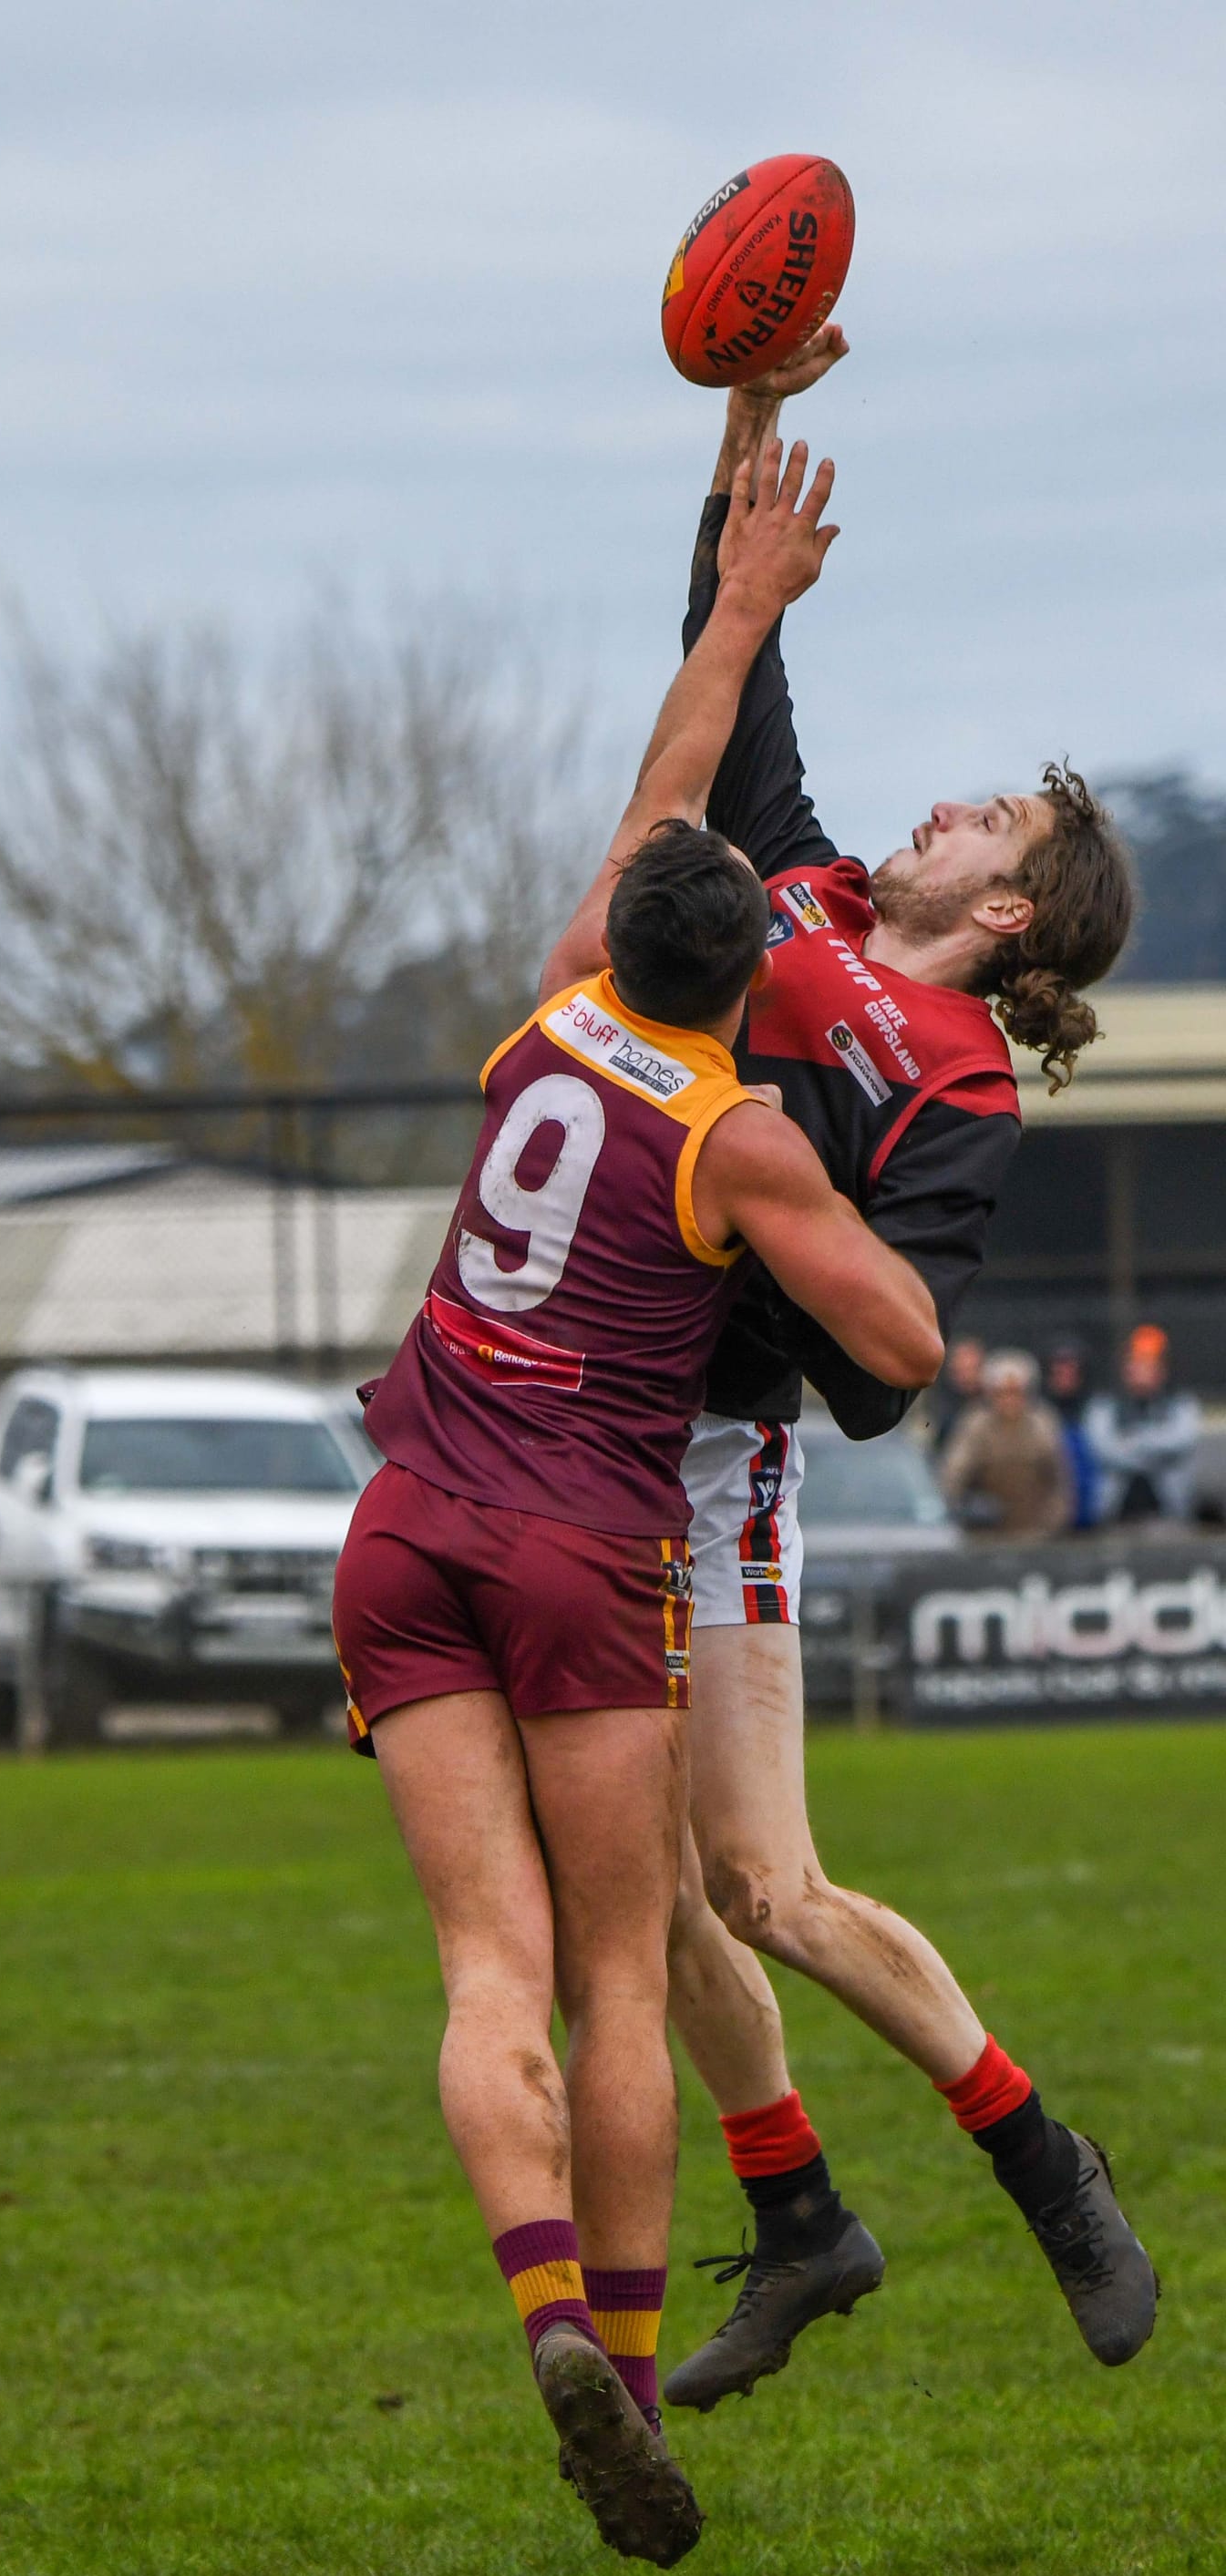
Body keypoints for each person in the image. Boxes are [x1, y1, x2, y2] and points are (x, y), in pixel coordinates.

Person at [335, 434, 944, 2568]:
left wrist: (740, 599)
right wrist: (829, 1188)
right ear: (746, 977)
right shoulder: (735, 1124)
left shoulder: (549, 1010)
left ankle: (532, 2311)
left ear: (618, 923)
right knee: (618, 1963)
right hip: (583, 1551)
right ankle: (614, 2335)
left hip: (401, 1518)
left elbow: (672, 782)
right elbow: (903, 1342)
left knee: (475, 1965)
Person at [571, 328, 1152, 2413]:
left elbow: (885, 1368)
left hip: (708, 1460)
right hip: (582, 1427)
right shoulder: (789, 880)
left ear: (1000, 909)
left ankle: (1029, 2148)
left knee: (765, 1885)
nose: (929, 804)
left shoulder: (954, 1072)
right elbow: (722, 660)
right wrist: (737, 418)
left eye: (975, 815)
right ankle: (800, 2210)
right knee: (622, 1903)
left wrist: (752, 1183)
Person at [939, 1350, 1073, 1538]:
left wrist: (1051, 1524)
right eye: (1002, 1393)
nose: (1009, 1400)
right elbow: (954, 1474)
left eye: (1016, 1392)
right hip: (986, 1534)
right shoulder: (976, 1425)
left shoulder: (1043, 1423)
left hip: (1035, 1532)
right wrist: (964, 1513)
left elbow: (1061, 1480)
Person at [1084, 1324, 1200, 1529]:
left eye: (1149, 1365)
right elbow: (1106, 1450)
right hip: (1115, 1513)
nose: (1142, 1371)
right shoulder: (1104, 1406)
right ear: (1125, 1369)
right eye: (1136, 1364)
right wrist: (1157, 1453)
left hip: (1168, 1514)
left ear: (1162, 1370)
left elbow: (1182, 1441)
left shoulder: (1181, 1404)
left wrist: (1133, 1439)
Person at [1045, 1339, 1101, 1529]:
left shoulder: (1097, 1411)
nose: (1065, 1378)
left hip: (1093, 1509)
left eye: (1071, 1372)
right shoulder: (1041, 1413)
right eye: (1059, 1372)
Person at [930, 1336, 988, 1465]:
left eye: (972, 1369)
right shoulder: (938, 1404)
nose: (967, 1377)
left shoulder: (993, 1404)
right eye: (961, 1371)